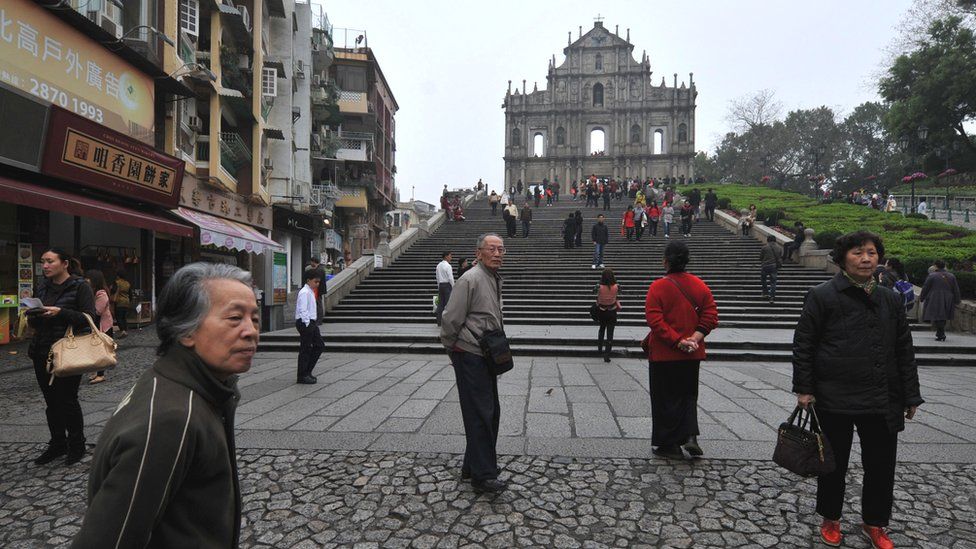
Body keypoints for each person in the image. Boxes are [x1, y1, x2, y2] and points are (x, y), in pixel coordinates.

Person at [72, 263, 258, 547]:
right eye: (235, 318)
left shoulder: (187, 385)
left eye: (254, 318)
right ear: (187, 331)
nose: (251, 331)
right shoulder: (171, 419)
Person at [792, 231, 923, 549]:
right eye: (858, 253)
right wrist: (804, 388)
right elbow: (804, 343)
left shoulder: (890, 298)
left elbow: (903, 348)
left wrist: (910, 393)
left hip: (882, 395)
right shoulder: (822, 295)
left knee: (881, 465)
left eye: (872, 252)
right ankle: (830, 518)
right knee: (832, 464)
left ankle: (875, 522)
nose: (866, 259)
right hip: (834, 394)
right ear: (842, 259)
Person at [440, 233, 508, 493]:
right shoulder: (470, 278)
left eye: (501, 249)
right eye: (492, 249)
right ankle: (483, 476)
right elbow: (450, 318)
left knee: (489, 412)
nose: (498, 253)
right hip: (470, 353)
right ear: (479, 252)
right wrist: (452, 349)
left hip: (487, 354)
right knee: (481, 413)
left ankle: (472, 466)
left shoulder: (492, 277)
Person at [644, 241, 719, 459]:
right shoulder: (700, 285)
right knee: (688, 395)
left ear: (665, 261)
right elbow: (711, 315)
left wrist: (678, 341)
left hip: (664, 354)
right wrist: (694, 339)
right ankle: (689, 436)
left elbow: (655, 321)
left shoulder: (657, 287)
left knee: (665, 398)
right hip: (691, 354)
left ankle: (669, 445)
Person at [28, 248, 97, 466]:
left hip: (68, 351)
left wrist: (61, 312)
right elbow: (35, 323)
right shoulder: (42, 286)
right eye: (43, 262)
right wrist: (34, 315)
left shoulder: (80, 286)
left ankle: (77, 445)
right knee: (51, 402)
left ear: (64, 263)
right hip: (42, 350)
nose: (45, 266)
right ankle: (58, 443)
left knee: (67, 399)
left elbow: (88, 318)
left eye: (50, 261)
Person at [919, 260, 962, 342]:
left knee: (938, 316)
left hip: (935, 297)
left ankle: (941, 333)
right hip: (948, 298)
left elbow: (926, 287)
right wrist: (957, 300)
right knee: (943, 316)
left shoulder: (932, 276)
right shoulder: (951, 276)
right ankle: (940, 333)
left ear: (936, 266)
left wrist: (922, 297)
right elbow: (956, 289)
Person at [295, 269, 325, 384]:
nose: (317, 284)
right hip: (305, 322)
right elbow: (303, 309)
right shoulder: (304, 292)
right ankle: (302, 375)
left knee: (319, 345)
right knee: (305, 349)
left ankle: (307, 371)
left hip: (311, 322)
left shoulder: (310, 291)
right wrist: (308, 323)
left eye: (318, 282)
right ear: (308, 280)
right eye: (315, 282)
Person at [85, 269, 114, 385]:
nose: (86, 280)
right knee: (95, 350)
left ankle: (100, 375)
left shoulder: (102, 294)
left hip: (103, 326)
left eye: (89, 278)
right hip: (96, 326)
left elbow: (97, 312)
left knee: (101, 350)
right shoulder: (95, 292)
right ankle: (97, 372)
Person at [594, 268, 621, 363]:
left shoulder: (599, 286)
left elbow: (593, 292)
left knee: (601, 329)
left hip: (602, 311)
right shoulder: (617, 286)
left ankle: (599, 349)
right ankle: (607, 354)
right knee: (610, 333)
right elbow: (619, 294)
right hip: (612, 311)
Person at [759, 235, 782, 303]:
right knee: (773, 282)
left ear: (768, 240)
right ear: (775, 240)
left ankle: (765, 293)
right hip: (774, 266)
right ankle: (772, 297)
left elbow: (761, 257)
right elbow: (780, 256)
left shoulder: (765, 247)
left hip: (765, 266)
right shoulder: (779, 248)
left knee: (763, 280)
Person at [435, 251, 455, 326]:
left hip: (441, 285)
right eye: (450, 256)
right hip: (447, 285)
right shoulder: (448, 266)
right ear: (446, 256)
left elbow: (437, 277)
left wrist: (438, 285)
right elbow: (450, 278)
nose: (451, 257)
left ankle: (439, 321)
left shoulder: (438, 265)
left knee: (440, 304)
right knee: (449, 304)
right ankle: (448, 322)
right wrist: (453, 286)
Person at [306, 257, 327, 323]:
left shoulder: (319, 270)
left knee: (318, 305)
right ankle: (319, 319)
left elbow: (317, 280)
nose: (311, 264)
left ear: (314, 262)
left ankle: (319, 320)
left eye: (311, 262)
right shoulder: (321, 268)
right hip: (320, 290)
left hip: (318, 290)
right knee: (318, 304)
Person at [111, 270, 131, 338]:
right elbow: (130, 293)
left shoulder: (117, 282)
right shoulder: (127, 283)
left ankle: (122, 331)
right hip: (126, 301)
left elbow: (113, 291)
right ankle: (125, 330)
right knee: (124, 317)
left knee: (118, 317)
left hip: (119, 302)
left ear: (118, 276)